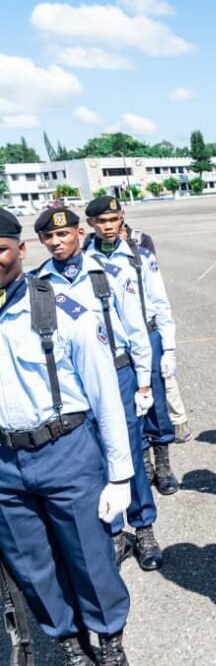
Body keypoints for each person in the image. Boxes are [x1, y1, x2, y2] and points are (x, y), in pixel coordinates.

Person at [0, 209, 134, 665]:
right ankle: (69, 643)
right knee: (31, 565)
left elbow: (106, 397)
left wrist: (120, 477)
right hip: (5, 463)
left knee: (89, 558)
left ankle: (108, 638)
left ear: (20, 250)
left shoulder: (59, 308)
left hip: (66, 451)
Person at [34, 206, 165, 571]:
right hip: (73, 384)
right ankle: (112, 533)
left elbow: (137, 330)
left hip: (119, 373)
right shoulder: (39, 283)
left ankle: (144, 528)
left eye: (64, 234)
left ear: (79, 233)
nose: (57, 242)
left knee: (129, 452)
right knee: (91, 459)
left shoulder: (107, 273)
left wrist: (143, 381)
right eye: (49, 237)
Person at [84, 195, 181, 496]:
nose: (108, 226)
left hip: (147, 335)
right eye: (101, 221)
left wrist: (169, 346)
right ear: (90, 224)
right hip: (111, 343)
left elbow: (159, 299)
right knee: (125, 407)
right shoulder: (86, 256)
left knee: (156, 405)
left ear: (122, 217)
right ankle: (144, 461)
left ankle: (163, 462)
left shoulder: (139, 252)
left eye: (113, 220)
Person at [119, 206, 193, 444]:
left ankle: (178, 421)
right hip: (121, 334)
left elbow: (153, 289)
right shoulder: (91, 246)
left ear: (122, 215)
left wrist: (168, 345)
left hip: (148, 326)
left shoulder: (141, 240)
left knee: (164, 381)